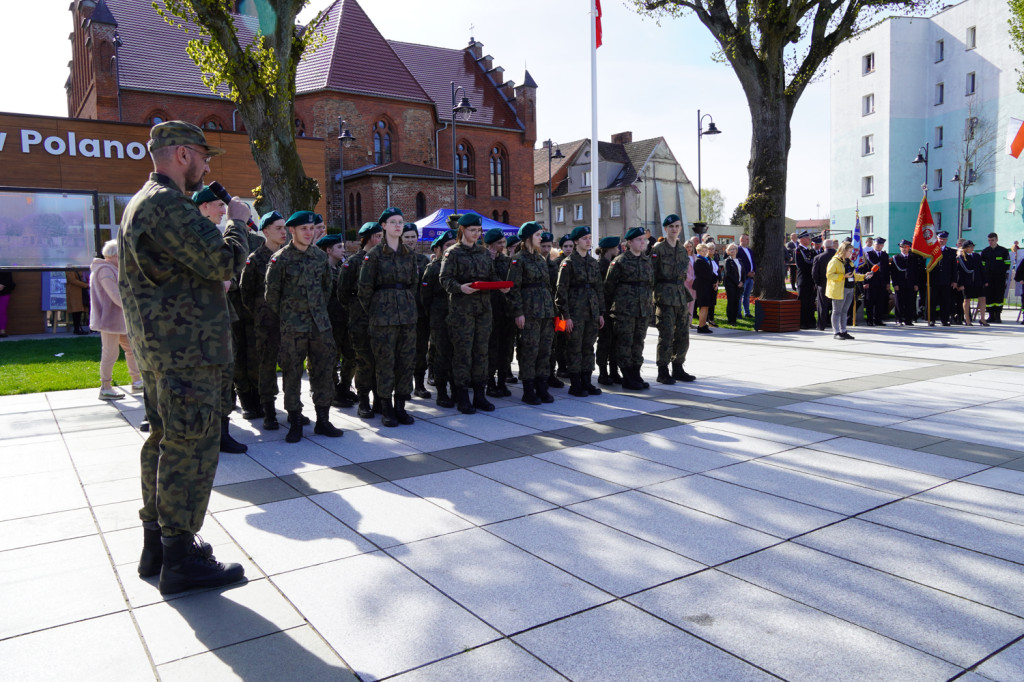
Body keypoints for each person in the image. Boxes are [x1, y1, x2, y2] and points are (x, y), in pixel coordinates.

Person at [118, 120, 246, 594]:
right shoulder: (168, 203)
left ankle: (158, 546)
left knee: (164, 442)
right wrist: (234, 222)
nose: (207, 166)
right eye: (204, 156)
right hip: (187, 351)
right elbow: (224, 261)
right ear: (183, 155)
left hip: (163, 351)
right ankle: (180, 556)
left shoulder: (140, 202)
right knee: (189, 449)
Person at [264, 211, 344, 442]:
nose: (309, 233)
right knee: (292, 373)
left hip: (320, 325)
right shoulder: (280, 259)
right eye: (304, 229)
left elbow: (327, 289)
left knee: (323, 371)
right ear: (292, 231)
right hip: (293, 326)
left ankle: (323, 419)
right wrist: (290, 315)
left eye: (312, 228)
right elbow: (272, 296)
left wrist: (316, 311)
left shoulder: (319, 257)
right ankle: (296, 421)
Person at [192, 186, 249, 454]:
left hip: (219, 315)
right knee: (210, 379)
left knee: (225, 375)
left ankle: (222, 433)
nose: (224, 210)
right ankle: (210, 435)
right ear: (203, 206)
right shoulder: (197, 233)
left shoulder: (210, 232)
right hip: (204, 322)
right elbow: (227, 263)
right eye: (218, 205)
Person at [440, 213, 505, 413]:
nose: (476, 234)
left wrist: (500, 285)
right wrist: (461, 288)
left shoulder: (484, 253)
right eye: (472, 230)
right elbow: (444, 279)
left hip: (483, 310)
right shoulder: (452, 252)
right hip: (462, 311)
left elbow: (491, 275)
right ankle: (461, 396)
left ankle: (479, 395)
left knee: (481, 353)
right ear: (462, 230)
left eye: (478, 230)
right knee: (463, 354)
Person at [359, 208, 419, 427]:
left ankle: (401, 406)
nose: (397, 226)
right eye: (392, 222)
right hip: (382, 319)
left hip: (407, 317)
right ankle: (385, 408)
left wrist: (405, 304)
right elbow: (364, 290)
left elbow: (413, 284)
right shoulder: (373, 255)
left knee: (405, 363)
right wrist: (377, 311)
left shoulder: (409, 254)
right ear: (383, 226)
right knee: (385, 363)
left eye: (400, 222)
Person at [239, 210, 288, 430]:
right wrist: (260, 314)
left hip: (289, 322)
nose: (283, 232)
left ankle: (293, 409)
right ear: (266, 231)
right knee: (266, 368)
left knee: (292, 367)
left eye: (284, 227)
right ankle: (269, 412)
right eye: (278, 228)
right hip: (266, 324)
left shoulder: (289, 256)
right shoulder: (255, 259)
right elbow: (246, 293)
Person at [506, 222, 556, 404]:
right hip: (529, 312)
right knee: (529, 350)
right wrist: (518, 312)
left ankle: (542, 386)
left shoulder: (541, 259)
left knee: (545, 350)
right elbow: (514, 288)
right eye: (537, 235)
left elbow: (548, 286)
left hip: (545, 311)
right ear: (528, 238)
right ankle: (528, 390)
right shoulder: (518, 260)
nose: (541, 238)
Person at [554, 225, 605, 397]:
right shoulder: (568, 263)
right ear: (576, 242)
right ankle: (575, 384)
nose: (588, 241)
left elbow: (599, 289)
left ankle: (587, 381)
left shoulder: (592, 263)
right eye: (585, 238)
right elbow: (561, 292)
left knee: (588, 347)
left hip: (591, 312)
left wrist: (600, 313)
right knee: (574, 348)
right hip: (575, 313)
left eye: (590, 237)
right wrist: (565, 317)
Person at [90, 239, 143, 400]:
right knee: (110, 353)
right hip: (109, 320)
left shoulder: (110, 269)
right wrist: (133, 308)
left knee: (132, 350)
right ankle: (105, 386)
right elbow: (115, 295)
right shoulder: (106, 270)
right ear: (114, 255)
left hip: (119, 320)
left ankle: (137, 381)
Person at [341, 222, 383, 418]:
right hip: (360, 320)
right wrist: (356, 308)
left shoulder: (383, 259)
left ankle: (381, 399)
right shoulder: (354, 261)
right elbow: (342, 293)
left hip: (382, 319)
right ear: (367, 238)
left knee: (381, 359)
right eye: (377, 236)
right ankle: (364, 400)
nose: (381, 240)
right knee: (364, 360)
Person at [605, 227, 653, 391]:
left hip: (643, 309)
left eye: (644, 239)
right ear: (629, 243)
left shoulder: (647, 261)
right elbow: (609, 287)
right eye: (639, 240)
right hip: (624, 310)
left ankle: (635, 373)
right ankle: (627, 376)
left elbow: (650, 284)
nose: (642, 242)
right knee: (625, 343)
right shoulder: (619, 261)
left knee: (638, 342)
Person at [651, 214, 694, 383]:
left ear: (680, 229)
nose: (674, 229)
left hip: (680, 295)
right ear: (666, 229)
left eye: (677, 226)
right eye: (671, 227)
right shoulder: (658, 249)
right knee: (666, 334)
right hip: (664, 296)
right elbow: (652, 274)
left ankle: (678, 367)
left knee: (683, 334)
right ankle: (663, 370)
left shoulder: (683, 250)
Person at [317, 232, 357, 409]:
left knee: (351, 355)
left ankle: (344, 387)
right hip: (330, 322)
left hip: (345, 320)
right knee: (331, 359)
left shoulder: (342, 269)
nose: (343, 249)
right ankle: (333, 392)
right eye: (339, 247)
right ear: (328, 250)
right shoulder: (321, 271)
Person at [422, 229, 457, 407]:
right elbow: (425, 297)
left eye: (453, 245)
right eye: (447, 246)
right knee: (442, 354)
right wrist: (433, 315)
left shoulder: (457, 264)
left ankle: (457, 389)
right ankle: (442, 392)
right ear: (438, 250)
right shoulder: (433, 268)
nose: (450, 249)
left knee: (457, 354)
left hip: (457, 315)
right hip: (440, 316)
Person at [402, 223, 432, 400]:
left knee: (420, 350)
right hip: (402, 314)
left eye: (413, 237)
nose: (411, 240)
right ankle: (404, 387)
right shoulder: (396, 258)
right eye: (407, 237)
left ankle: (419, 385)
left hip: (420, 314)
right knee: (403, 351)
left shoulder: (422, 260)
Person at [483, 227, 514, 398]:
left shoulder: (507, 261)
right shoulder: (484, 259)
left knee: (506, 348)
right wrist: (489, 261)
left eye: (503, 242)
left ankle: (502, 381)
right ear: (489, 245)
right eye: (498, 243)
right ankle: (490, 382)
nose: (502, 246)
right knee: (491, 349)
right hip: (489, 310)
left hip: (506, 309)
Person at [826, 241, 870, 340]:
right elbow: (829, 275)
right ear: (843, 250)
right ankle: (836, 332)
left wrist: (864, 276)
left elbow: (853, 275)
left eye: (851, 251)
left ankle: (843, 331)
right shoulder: (835, 261)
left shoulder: (849, 261)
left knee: (844, 311)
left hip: (850, 289)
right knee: (837, 311)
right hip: (839, 289)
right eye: (849, 251)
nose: (851, 253)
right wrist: (843, 276)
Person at [595, 235, 621, 386]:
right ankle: (603, 373)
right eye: (616, 247)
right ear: (609, 249)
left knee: (614, 341)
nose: (618, 250)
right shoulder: (600, 266)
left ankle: (613, 371)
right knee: (604, 341)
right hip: (604, 308)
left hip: (613, 308)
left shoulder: (612, 264)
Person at [926, 231, 956, 326]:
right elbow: (926, 266)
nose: (942, 241)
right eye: (940, 239)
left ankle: (945, 320)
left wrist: (954, 280)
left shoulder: (951, 252)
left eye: (944, 239)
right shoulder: (931, 250)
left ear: (947, 240)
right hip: (933, 280)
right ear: (937, 239)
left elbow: (954, 268)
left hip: (946, 280)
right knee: (932, 301)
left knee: (945, 301)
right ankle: (931, 319)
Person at [955, 240, 988, 325]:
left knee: (982, 298)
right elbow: (959, 272)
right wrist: (960, 283)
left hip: (978, 281)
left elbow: (981, 269)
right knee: (967, 300)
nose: (972, 248)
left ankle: (982, 319)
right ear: (965, 248)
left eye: (972, 246)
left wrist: (985, 280)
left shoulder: (976, 256)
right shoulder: (961, 257)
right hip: (967, 282)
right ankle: (967, 320)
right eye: (970, 246)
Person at [981, 232, 1010, 323]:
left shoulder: (1003, 251)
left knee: (998, 296)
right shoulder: (985, 251)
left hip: (999, 278)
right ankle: (990, 316)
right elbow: (982, 266)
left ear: (997, 239)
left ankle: (998, 316)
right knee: (989, 296)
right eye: (989, 240)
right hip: (988, 278)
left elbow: (1007, 264)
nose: (990, 242)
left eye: (992, 240)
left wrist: (1001, 272)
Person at [861, 237, 891, 326]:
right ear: (874, 244)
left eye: (881, 244)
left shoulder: (885, 255)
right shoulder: (868, 254)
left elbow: (886, 270)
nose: (879, 246)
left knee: (880, 302)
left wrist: (887, 283)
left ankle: (878, 319)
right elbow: (864, 269)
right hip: (871, 282)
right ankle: (870, 320)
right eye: (877, 244)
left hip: (881, 282)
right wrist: (865, 282)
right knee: (870, 302)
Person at [890, 239, 918, 326]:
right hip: (900, 284)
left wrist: (916, 284)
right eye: (902, 247)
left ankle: (908, 319)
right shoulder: (896, 258)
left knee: (910, 302)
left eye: (906, 247)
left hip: (910, 283)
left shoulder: (913, 258)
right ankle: (899, 319)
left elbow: (916, 272)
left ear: (909, 248)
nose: (904, 249)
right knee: (899, 302)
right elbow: (893, 273)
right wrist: (895, 284)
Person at [812, 239, 837, 331]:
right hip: (837, 283)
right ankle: (837, 325)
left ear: (823, 246)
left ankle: (821, 325)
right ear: (833, 246)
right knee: (837, 306)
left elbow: (814, 273)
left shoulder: (818, 257)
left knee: (822, 305)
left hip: (823, 284)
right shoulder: (839, 256)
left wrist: (817, 283)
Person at [692, 242, 717, 334]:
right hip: (702, 286)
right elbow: (705, 274)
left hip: (707, 286)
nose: (704, 252)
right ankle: (701, 326)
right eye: (702, 250)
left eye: (706, 250)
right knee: (703, 306)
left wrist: (715, 280)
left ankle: (703, 325)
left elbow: (711, 272)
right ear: (698, 251)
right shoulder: (698, 260)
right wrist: (712, 279)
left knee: (706, 306)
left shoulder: (706, 259)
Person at [794, 231, 817, 329]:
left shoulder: (810, 251)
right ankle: (802, 322)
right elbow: (801, 266)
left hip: (811, 279)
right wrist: (812, 270)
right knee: (803, 301)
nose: (809, 240)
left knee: (811, 301)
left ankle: (811, 321)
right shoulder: (798, 250)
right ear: (802, 239)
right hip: (803, 279)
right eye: (808, 238)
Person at [66, 266, 90, 335]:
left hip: (79, 292)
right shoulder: (69, 268)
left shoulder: (77, 267)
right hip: (74, 292)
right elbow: (72, 280)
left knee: (79, 311)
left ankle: (78, 328)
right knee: (76, 311)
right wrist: (85, 285)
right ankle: (77, 329)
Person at [723, 243, 743, 325]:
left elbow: (743, 272)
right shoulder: (727, 261)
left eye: (734, 249)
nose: (732, 250)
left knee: (736, 302)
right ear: (727, 251)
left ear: (737, 250)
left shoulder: (740, 260)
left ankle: (734, 319)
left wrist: (742, 281)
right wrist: (737, 282)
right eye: (730, 249)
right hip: (731, 285)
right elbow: (728, 273)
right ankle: (730, 320)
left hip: (739, 285)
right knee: (731, 302)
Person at [736, 234, 755, 318]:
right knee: (740, 295)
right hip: (743, 277)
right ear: (741, 240)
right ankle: (738, 313)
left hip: (751, 277)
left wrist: (754, 271)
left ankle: (747, 312)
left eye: (748, 239)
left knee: (747, 296)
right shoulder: (738, 250)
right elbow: (740, 264)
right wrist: (746, 272)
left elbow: (752, 262)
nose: (748, 241)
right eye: (746, 239)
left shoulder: (749, 250)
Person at [0, 269, 15, 337]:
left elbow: (9, 280)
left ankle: (2, 331)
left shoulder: (5, 266)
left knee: (2, 311)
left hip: (4, 292)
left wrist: (2, 285)